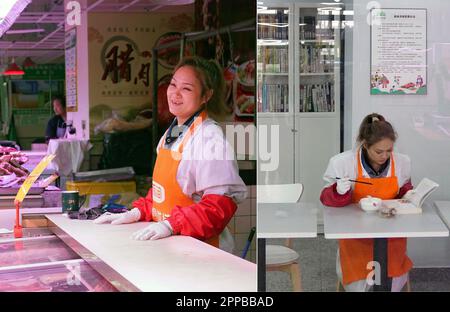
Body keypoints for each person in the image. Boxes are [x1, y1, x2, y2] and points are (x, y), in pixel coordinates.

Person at [94, 56, 246, 251]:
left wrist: (171, 224)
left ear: (206, 95)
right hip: (173, 247)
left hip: (202, 250)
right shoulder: (174, 131)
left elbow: (219, 207)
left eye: (187, 88)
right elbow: (164, 193)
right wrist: (138, 211)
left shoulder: (210, 138)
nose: (175, 94)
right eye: (173, 84)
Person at [320, 113, 414, 292]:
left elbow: (404, 191)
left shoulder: (402, 162)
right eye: (379, 151)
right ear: (365, 144)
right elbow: (326, 200)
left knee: (390, 281)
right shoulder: (342, 163)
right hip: (355, 237)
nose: (384, 156)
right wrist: (338, 191)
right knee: (359, 282)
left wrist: (410, 194)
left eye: (389, 151)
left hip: (391, 236)